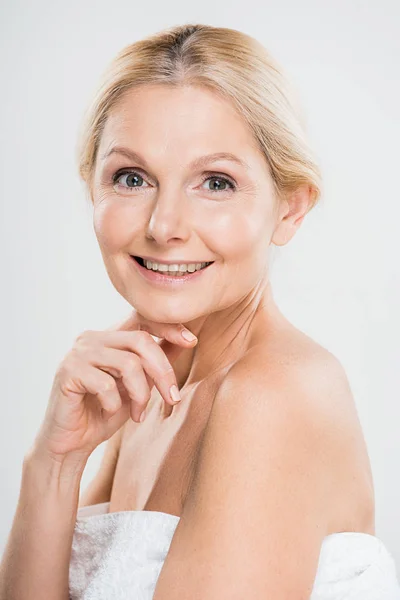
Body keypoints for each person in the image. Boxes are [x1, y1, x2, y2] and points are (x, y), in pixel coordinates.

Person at [1, 22, 399, 600]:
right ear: (93, 189)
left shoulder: (273, 395)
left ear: (289, 209)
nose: (164, 227)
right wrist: (54, 464)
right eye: (131, 178)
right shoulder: (146, 391)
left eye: (215, 182)